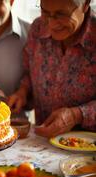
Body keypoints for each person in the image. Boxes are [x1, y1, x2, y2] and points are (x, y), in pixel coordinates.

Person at [8, 0, 96, 138]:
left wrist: (76, 115)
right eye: (45, 12)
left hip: (88, 150)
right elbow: (29, 74)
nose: (51, 23)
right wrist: (23, 92)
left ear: (85, 4)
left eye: (61, 14)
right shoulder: (38, 28)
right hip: (42, 142)